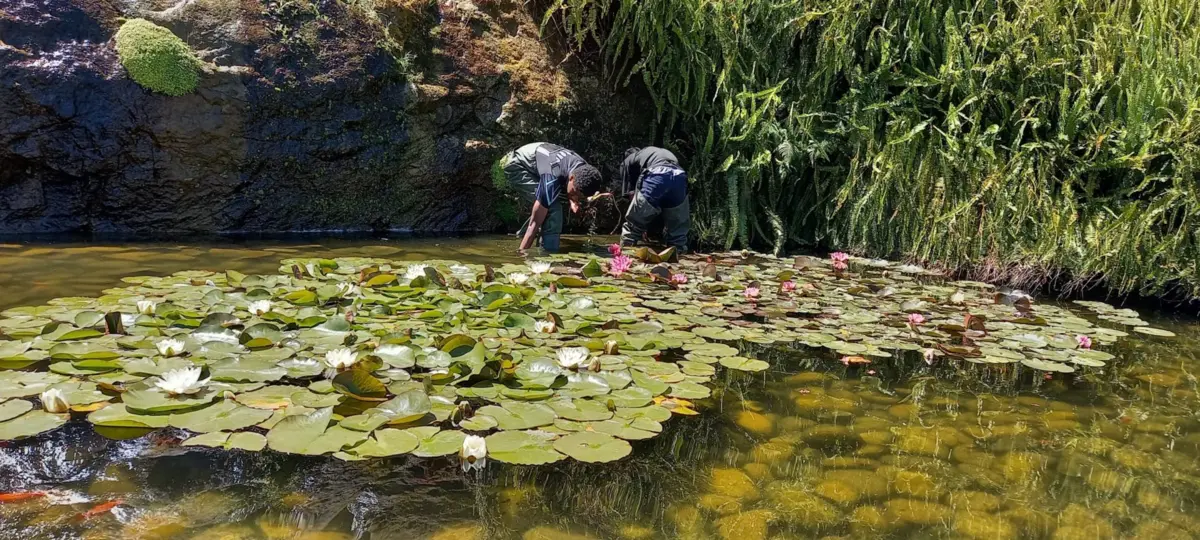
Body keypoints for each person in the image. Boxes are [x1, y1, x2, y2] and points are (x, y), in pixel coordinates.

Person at [498, 143, 604, 252]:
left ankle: (520, 237)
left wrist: (573, 201)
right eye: (575, 193)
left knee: (550, 200)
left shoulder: (583, 169)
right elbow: (534, 224)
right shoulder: (552, 177)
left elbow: (574, 187)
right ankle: (548, 253)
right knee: (553, 207)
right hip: (516, 164)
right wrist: (522, 254)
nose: (577, 197)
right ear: (572, 178)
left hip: (540, 162)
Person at [618, 146, 690, 252]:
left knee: (633, 228)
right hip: (679, 176)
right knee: (677, 233)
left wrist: (640, 220)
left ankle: (625, 254)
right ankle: (679, 255)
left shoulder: (629, 159)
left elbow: (631, 193)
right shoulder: (653, 152)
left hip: (656, 174)